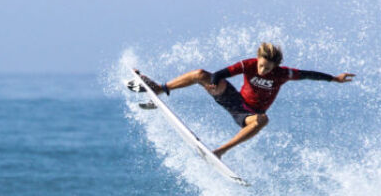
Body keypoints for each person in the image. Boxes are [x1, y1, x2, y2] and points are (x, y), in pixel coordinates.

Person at [130, 42, 355, 158]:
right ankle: (160, 89)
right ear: (257, 58)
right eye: (261, 65)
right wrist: (214, 80)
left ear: (276, 66)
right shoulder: (248, 64)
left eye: (268, 68)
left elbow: (307, 74)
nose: (263, 70)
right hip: (232, 99)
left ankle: (220, 151)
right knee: (200, 73)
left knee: (262, 120)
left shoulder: (283, 74)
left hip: (247, 115)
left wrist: (334, 79)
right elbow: (223, 73)